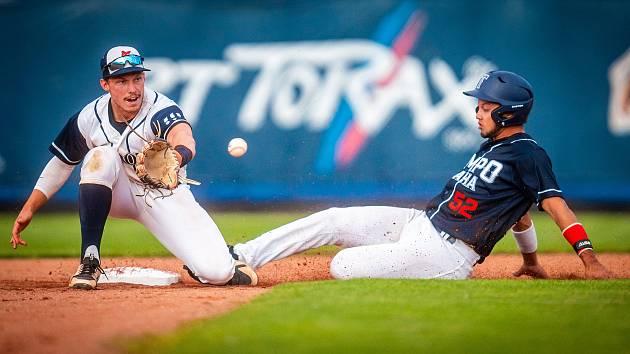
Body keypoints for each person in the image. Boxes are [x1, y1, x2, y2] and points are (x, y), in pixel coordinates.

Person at [229, 70, 611, 280]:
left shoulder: (529, 154)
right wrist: (530, 263)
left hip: (446, 253)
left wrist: (589, 261)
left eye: (484, 107)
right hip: (422, 224)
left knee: (342, 266)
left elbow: (555, 206)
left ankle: (394, 262)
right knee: (333, 218)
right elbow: (519, 212)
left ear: (506, 112)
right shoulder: (494, 148)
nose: (476, 112)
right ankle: (241, 256)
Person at [10, 45, 257, 289]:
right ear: (105, 85)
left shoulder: (160, 108)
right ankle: (90, 259)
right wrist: (29, 208)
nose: (133, 89)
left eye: (137, 79)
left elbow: (184, 138)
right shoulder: (90, 116)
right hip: (119, 194)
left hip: (163, 194)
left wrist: (177, 159)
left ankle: (201, 260)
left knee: (218, 272)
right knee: (100, 156)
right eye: (121, 81)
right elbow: (62, 163)